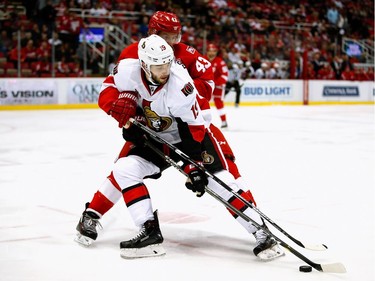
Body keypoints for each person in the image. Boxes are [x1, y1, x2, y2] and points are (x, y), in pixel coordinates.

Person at [76, 34, 283, 261]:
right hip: (154, 136)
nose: (164, 70)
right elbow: (107, 89)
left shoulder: (181, 84)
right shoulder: (126, 70)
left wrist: (195, 166)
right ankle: (150, 232)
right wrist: (116, 109)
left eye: (167, 64)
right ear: (144, 64)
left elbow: (193, 128)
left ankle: (261, 231)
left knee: (218, 180)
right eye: (158, 66)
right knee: (124, 169)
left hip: (187, 137)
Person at [204, 43, 229, 128]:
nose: (212, 53)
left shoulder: (220, 62)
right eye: (210, 51)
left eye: (214, 51)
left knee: (218, 102)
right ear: (207, 51)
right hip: (204, 86)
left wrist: (218, 82)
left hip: (217, 87)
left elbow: (225, 74)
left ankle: (224, 121)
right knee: (201, 102)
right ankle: (200, 121)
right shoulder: (202, 59)